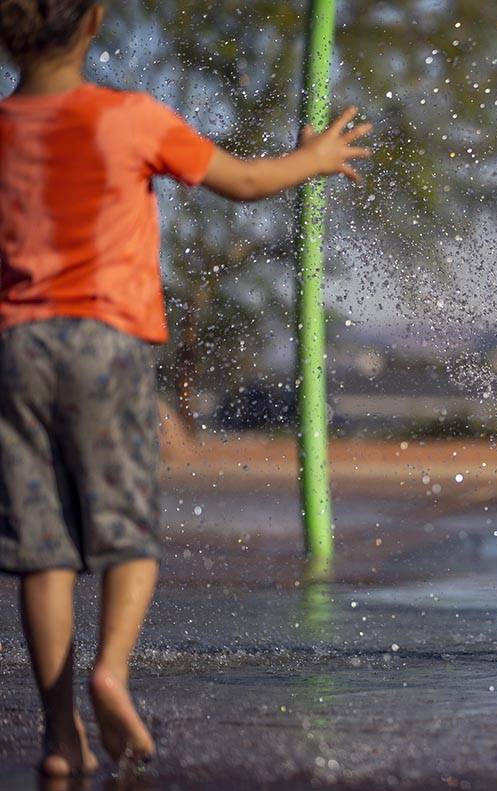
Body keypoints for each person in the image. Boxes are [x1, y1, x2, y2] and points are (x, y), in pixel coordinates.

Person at [0, 1, 371, 776]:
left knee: (42, 548)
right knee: (127, 528)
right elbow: (240, 181)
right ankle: (112, 671)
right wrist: (311, 158)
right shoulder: (129, 117)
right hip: (106, 343)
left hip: (14, 348)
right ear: (94, 23)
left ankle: (60, 734)